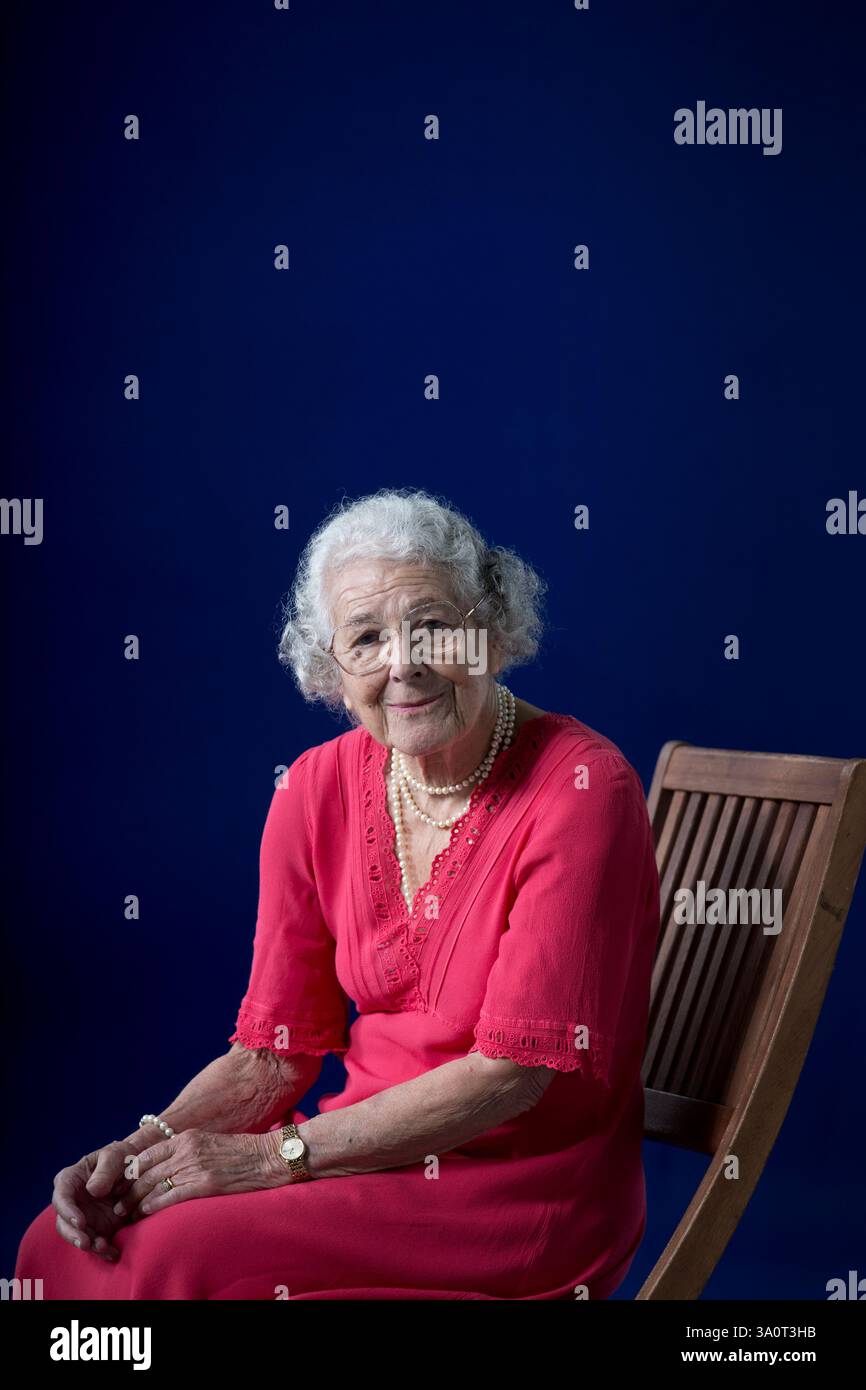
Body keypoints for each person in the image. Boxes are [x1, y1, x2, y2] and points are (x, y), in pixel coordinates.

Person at [15, 487, 660, 1299]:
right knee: (60, 1245)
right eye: (366, 638)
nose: (403, 663)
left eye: (430, 625)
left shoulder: (579, 788)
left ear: (490, 633)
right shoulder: (314, 788)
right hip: (351, 1156)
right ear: (330, 669)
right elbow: (274, 1057)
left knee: (167, 1265)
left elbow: (510, 1077)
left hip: (517, 1190)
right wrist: (146, 1147)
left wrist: (267, 1160)